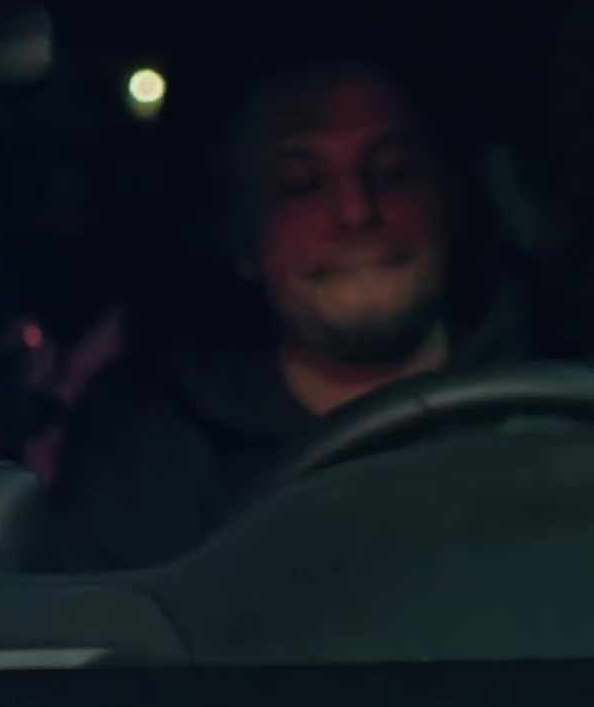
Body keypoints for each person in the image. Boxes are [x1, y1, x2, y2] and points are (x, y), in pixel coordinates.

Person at [45, 55, 527, 571]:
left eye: (393, 171)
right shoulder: (143, 451)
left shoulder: (559, 399)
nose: (357, 210)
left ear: (447, 203)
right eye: (302, 184)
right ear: (246, 243)